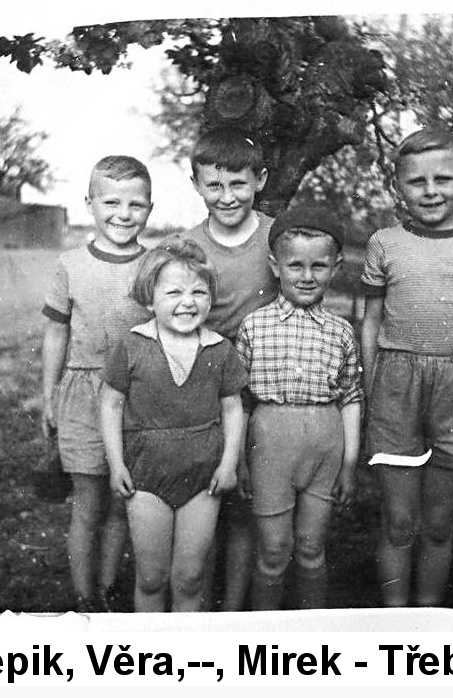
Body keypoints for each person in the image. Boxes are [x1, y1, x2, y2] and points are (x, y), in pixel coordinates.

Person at [360, 125, 453, 607]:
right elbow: (370, 323)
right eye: (416, 181)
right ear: (397, 187)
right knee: (398, 521)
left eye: (443, 179)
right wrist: (371, 394)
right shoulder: (384, 243)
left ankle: (428, 618)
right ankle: (394, 617)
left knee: (440, 524)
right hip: (396, 386)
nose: (430, 191)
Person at [99, 236, 247, 612]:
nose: (188, 302)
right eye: (174, 292)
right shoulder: (132, 345)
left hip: (203, 475)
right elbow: (111, 404)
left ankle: (187, 641)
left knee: (190, 577)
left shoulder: (219, 349)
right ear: (150, 299)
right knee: (151, 577)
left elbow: (232, 408)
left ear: (211, 297)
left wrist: (229, 464)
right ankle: (150, 644)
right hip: (145, 473)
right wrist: (116, 465)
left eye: (199, 292)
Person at [235, 205, 363, 611]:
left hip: (325, 446)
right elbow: (239, 400)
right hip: (270, 446)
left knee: (311, 547)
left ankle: (312, 629)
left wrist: (349, 464)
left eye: (319, 266)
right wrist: (239, 460)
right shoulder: (254, 326)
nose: (307, 276)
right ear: (276, 266)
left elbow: (351, 397)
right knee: (273, 550)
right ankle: (263, 631)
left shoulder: (341, 332)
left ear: (335, 267)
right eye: (295, 265)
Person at [41, 155, 155, 612]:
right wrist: (48, 395)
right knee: (88, 502)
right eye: (111, 202)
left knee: (122, 499)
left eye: (135, 204)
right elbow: (56, 332)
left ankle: (106, 590)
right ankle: (83, 596)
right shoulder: (70, 264)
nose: (123, 214)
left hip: (137, 397)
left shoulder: (154, 265)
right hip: (83, 394)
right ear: (89, 204)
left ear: (150, 208)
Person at [185, 127, 279, 611]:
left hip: (263, 387)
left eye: (238, 184)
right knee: (203, 499)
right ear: (197, 185)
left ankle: (236, 608)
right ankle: (197, 604)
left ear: (259, 180)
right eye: (214, 185)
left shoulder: (276, 237)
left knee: (245, 503)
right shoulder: (187, 246)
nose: (227, 197)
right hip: (205, 388)